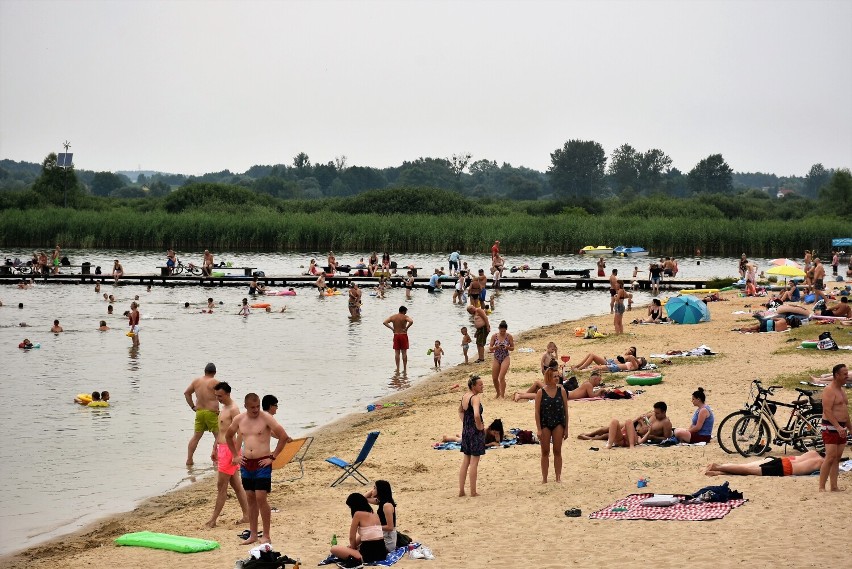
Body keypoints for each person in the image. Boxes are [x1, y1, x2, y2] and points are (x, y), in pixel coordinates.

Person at [225, 393, 291, 545]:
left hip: (263, 463)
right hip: (246, 463)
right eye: (252, 407)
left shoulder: (266, 418)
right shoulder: (239, 419)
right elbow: (228, 436)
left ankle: (266, 535)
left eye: (257, 406)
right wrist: (235, 455)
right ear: (246, 406)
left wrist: (273, 456)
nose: (255, 410)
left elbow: (283, 436)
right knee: (250, 498)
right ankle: (253, 534)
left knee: (261, 497)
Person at [206, 381, 249, 528]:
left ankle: (213, 520)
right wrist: (214, 448)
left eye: (220, 396)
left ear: (228, 394)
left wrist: (235, 454)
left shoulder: (234, 409)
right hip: (222, 449)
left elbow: (240, 433)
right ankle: (247, 515)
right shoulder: (223, 408)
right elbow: (221, 431)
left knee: (221, 486)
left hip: (230, 451)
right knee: (236, 485)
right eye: (216, 396)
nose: (218, 398)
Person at [329, 493, 388, 567]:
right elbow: (368, 534)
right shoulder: (375, 515)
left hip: (368, 556)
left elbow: (352, 537)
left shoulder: (358, 514)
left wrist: (353, 548)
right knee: (353, 546)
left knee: (334, 549)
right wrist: (353, 546)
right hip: (382, 554)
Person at [535, 367, 569, 483]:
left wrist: (566, 428)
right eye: (554, 376)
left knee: (557, 450)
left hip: (558, 423)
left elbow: (565, 410)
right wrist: (539, 429)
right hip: (545, 423)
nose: (557, 378)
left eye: (557, 376)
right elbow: (537, 412)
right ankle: (544, 478)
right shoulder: (541, 392)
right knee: (545, 451)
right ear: (548, 377)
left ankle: (558, 477)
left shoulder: (562, 391)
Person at [819, 363, 849, 492]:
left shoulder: (842, 391)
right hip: (830, 427)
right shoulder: (829, 390)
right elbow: (827, 411)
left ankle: (834, 486)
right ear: (836, 375)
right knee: (830, 457)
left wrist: (850, 427)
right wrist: (837, 427)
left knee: (837, 458)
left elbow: (845, 411)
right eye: (844, 374)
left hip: (842, 427)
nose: (847, 376)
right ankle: (821, 487)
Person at [184, 363, 220, 466]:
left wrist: (192, 407)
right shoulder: (215, 382)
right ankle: (215, 460)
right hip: (212, 413)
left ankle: (189, 460)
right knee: (219, 436)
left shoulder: (196, 381)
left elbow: (187, 393)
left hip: (199, 412)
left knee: (196, 436)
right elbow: (223, 395)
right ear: (214, 373)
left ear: (205, 371)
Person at [458, 375, 485, 497]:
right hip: (474, 432)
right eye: (480, 384)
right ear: (473, 386)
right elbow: (476, 414)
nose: (482, 386)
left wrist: (465, 422)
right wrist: (479, 426)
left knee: (466, 461)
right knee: (474, 461)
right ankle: (473, 491)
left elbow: (460, 411)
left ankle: (462, 490)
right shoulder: (475, 398)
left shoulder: (465, 396)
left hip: (466, 431)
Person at [706, 450, 825, 477]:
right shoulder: (820, 462)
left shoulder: (813, 453)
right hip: (784, 469)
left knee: (746, 468)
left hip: (782, 460)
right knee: (748, 471)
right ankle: (719, 467)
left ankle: (720, 470)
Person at [364, 480, 397, 553]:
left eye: (375, 488)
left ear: (380, 490)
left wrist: (374, 527)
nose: (372, 490)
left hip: (388, 541)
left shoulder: (387, 505)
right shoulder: (381, 501)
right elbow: (363, 499)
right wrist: (373, 491)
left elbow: (390, 527)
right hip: (382, 534)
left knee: (365, 533)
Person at [383, 306, 413, 374]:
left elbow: (385, 322)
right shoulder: (404, 317)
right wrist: (406, 328)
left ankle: (398, 368)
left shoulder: (393, 317)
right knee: (404, 353)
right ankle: (405, 368)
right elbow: (411, 321)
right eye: (405, 312)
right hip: (403, 335)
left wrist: (392, 329)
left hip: (396, 335)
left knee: (397, 353)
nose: (405, 313)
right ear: (403, 311)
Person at [488, 320, 514, 399]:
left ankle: (502, 395)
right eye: (501, 331)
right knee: (494, 378)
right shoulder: (494, 336)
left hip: (505, 357)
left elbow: (513, 348)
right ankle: (498, 393)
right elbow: (490, 348)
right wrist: (496, 347)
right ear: (499, 329)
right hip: (497, 357)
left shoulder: (509, 336)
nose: (502, 332)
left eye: (504, 331)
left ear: (506, 330)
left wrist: (507, 347)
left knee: (501, 377)